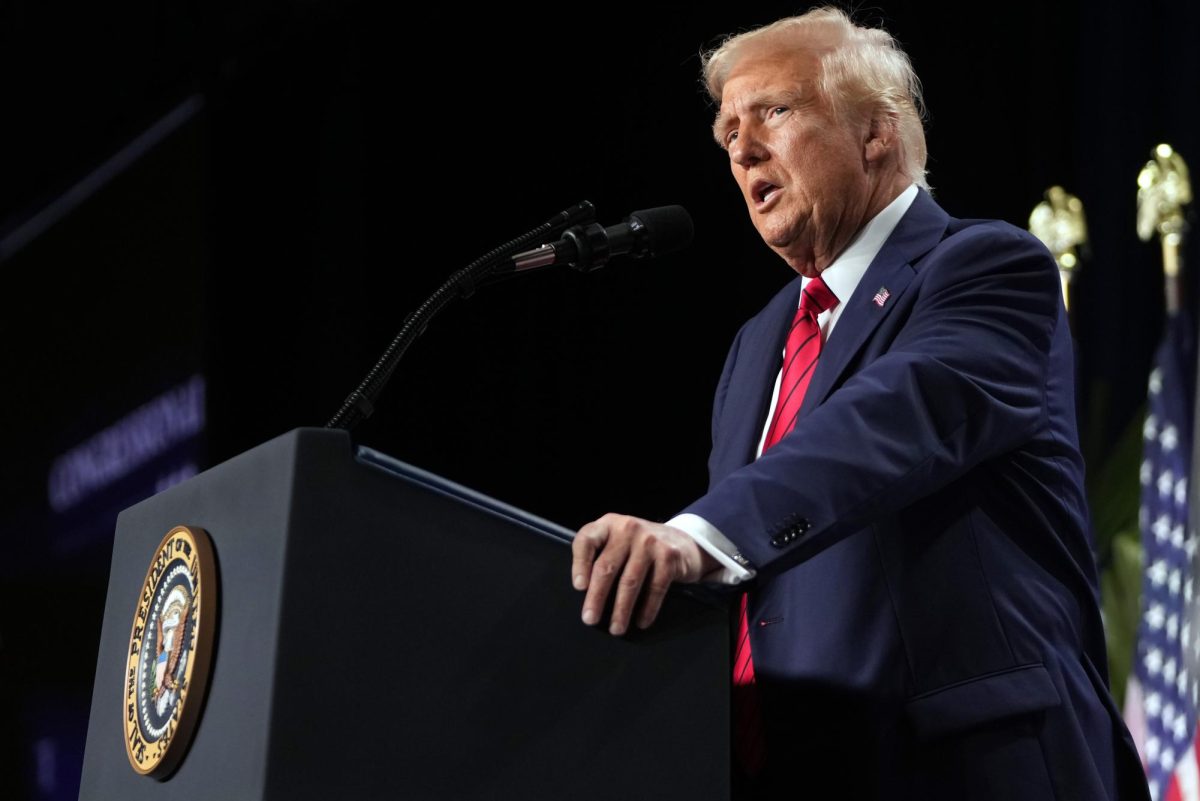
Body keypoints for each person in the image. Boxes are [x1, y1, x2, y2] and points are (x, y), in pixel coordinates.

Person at [569, 7, 1150, 800]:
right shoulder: (756, 343)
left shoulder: (986, 267)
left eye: (773, 111)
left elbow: (891, 420)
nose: (741, 150)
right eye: (727, 132)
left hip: (966, 766)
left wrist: (698, 534)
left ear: (876, 132)